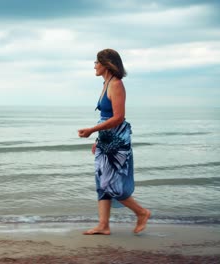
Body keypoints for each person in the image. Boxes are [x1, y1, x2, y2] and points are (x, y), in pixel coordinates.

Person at [78, 49, 150, 235]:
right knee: (101, 182)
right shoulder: (106, 83)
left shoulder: (116, 84)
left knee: (111, 184)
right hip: (107, 139)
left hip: (116, 141)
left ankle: (141, 213)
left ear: (106, 64)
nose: (94, 65)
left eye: (96, 62)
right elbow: (105, 117)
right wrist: (98, 139)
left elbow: (118, 117)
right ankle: (103, 225)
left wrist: (92, 130)